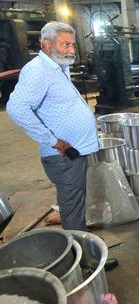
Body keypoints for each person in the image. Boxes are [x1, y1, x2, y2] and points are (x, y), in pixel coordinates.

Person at [7, 21, 98, 231]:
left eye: (73, 45)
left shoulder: (58, 67)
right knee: (72, 208)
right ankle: (81, 259)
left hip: (73, 151)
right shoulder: (38, 70)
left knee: (74, 203)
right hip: (63, 155)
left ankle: (82, 248)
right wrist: (53, 140)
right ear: (46, 44)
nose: (71, 50)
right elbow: (17, 108)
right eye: (65, 45)